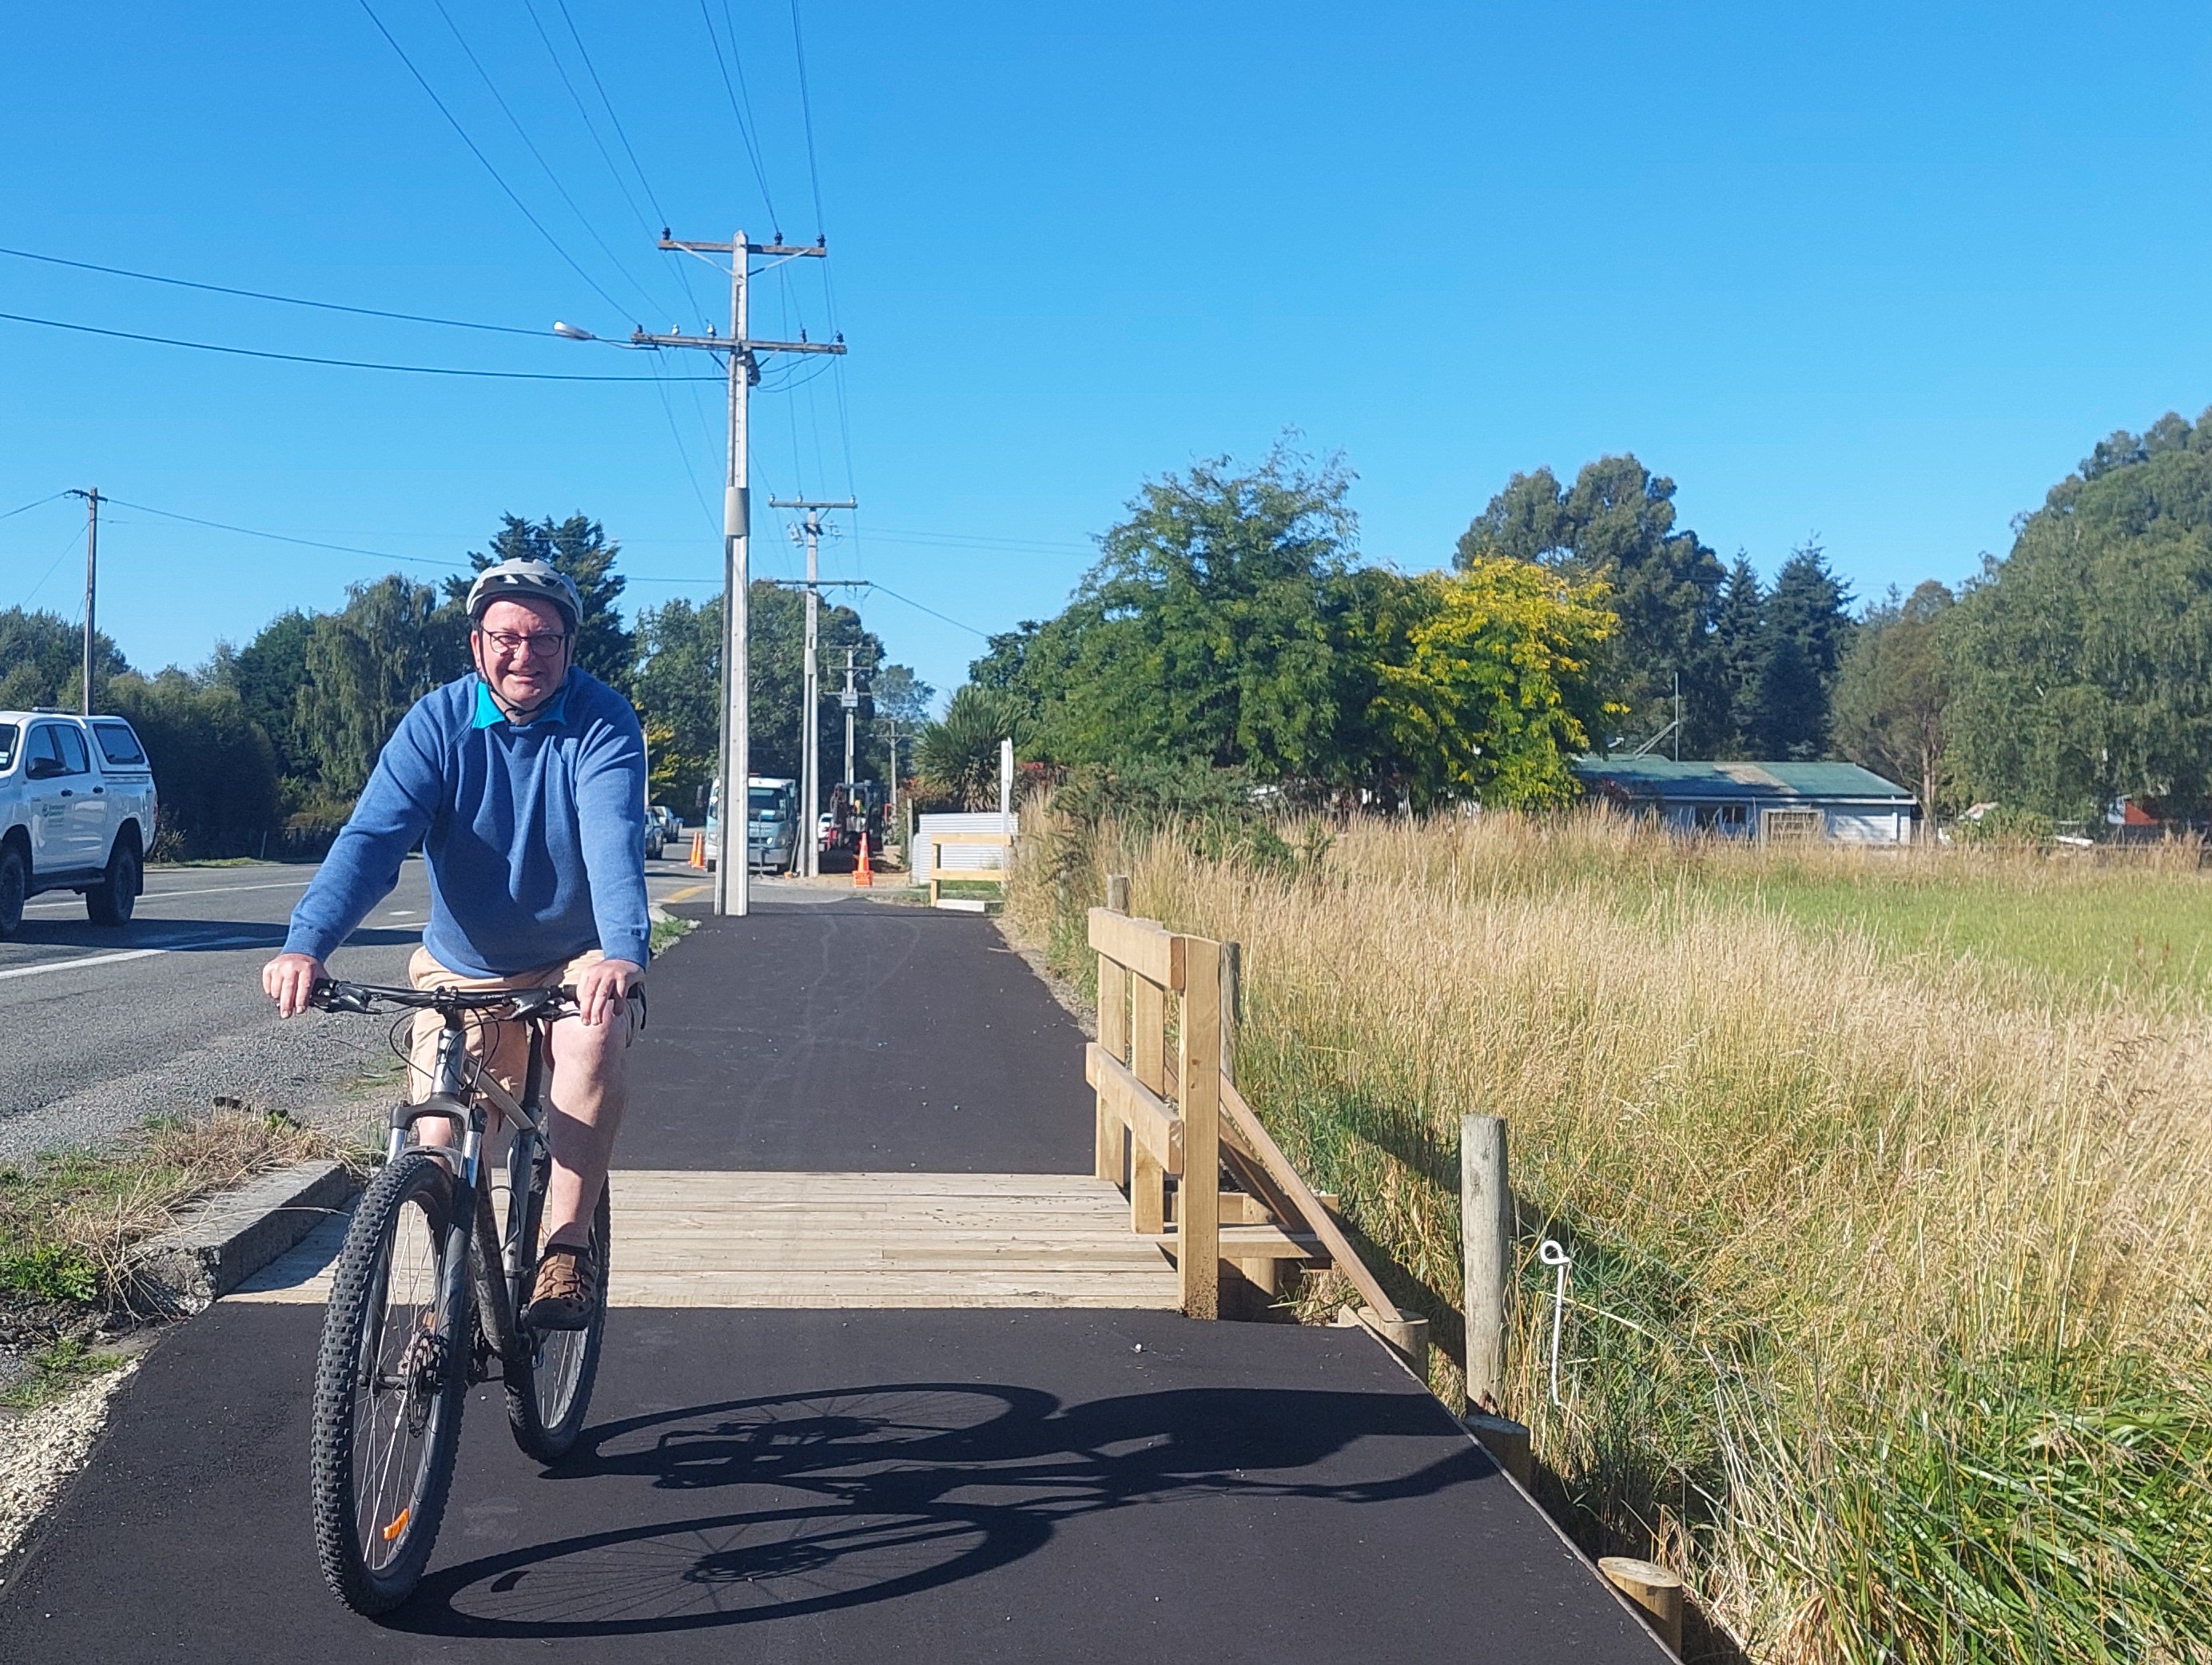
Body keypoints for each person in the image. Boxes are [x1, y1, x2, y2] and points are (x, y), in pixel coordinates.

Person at [262, 556, 649, 1329]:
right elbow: (372, 842)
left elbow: (615, 840)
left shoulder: (602, 721)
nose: (525, 655)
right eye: (506, 636)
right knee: (437, 1142)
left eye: (544, 638)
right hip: (461, 964)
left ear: (570, 646)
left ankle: (566, 1249)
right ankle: (450, 1306)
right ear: (476, 645)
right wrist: (307, 944)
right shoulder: (437, 724)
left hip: (575, 955)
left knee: (594, 1036)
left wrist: (623, 951)